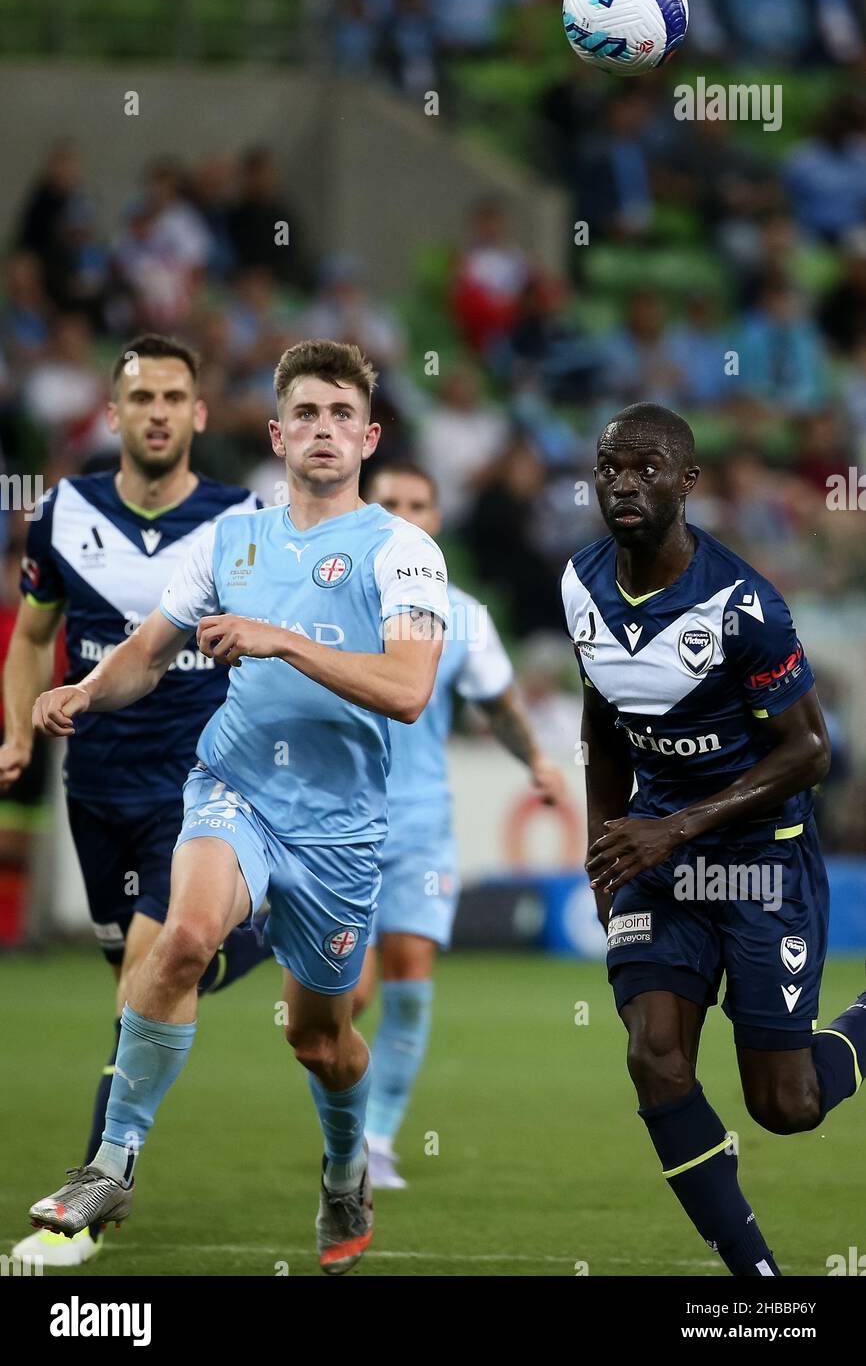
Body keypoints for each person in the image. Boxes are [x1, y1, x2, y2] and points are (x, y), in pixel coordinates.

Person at [25, 339, 450, 1276]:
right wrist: (86, 693)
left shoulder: (405, 551)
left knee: (321, 1040)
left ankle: (345, 1164)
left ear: (370, 435)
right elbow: (147, 647)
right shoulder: (231, 539)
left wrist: (282, 639)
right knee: (181, 940)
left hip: (339, 827)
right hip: (234, 787)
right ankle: (111, 1164)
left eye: (343, 415)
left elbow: (409, 689)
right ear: (276, 432)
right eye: (307, 413)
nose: (325, 430)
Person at [562, 401, 865, 1276]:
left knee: (788, 1105)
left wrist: (679, 827)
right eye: (611, 465)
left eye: (647, 467)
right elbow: (602, 723)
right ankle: (756, 1281)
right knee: (654, 1057)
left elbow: (811, 750)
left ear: (688, 483)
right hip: (659, 860)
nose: (625, 482)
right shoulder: (580, 585)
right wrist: (604, 849)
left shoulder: (743, 605)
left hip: (762, 864)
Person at [4, 333, 269, 1269]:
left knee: (140, 984)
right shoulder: (59, 514)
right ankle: (253, 938)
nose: (157, 411)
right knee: (144, 977)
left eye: (174, 397)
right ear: (112, 413)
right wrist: (18, 732)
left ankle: (85, 1198)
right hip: (97, 786)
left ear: (200, 414)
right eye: (141, 396)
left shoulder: (244, 519)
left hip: (203, 785)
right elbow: (33, 638)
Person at [353, 462, 566, 1188]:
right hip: (333, 828)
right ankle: (345, 1124)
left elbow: (499, 703)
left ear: (437, 518)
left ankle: (372, 1143)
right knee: (347, 996)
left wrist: (534, 757)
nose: (406, 513)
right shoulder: (333, 598)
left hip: (419, 828)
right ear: (366, 510)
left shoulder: (463, 614)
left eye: (419, 502)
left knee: (410, 980)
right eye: (391, 502)